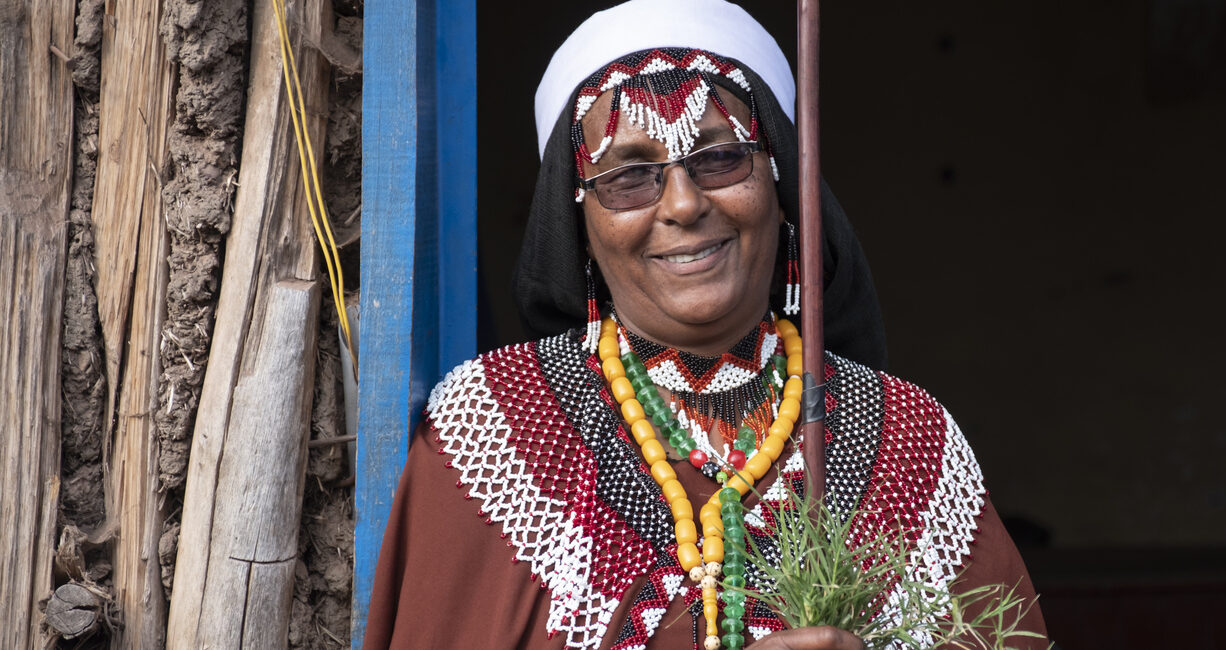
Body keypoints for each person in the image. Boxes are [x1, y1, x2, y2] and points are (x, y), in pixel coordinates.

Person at [363, 1, 1048, 648]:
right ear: (577, 223)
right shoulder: (496, 425)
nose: (685, 204)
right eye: (629, 176)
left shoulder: (911, 441)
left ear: (779, 188)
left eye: (720, 157)